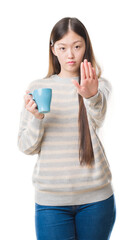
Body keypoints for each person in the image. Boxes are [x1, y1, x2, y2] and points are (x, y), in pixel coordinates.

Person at [17, 17, 116, 240]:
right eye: (62, 47)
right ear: (53, 49)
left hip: (96, 200)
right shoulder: (37, 88)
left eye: (77, 46)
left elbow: (97, 120)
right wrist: (37, 118)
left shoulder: (99, 85)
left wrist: (91, 95)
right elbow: (26, 146)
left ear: (85, 48)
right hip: (51, 203)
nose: (70, 55)